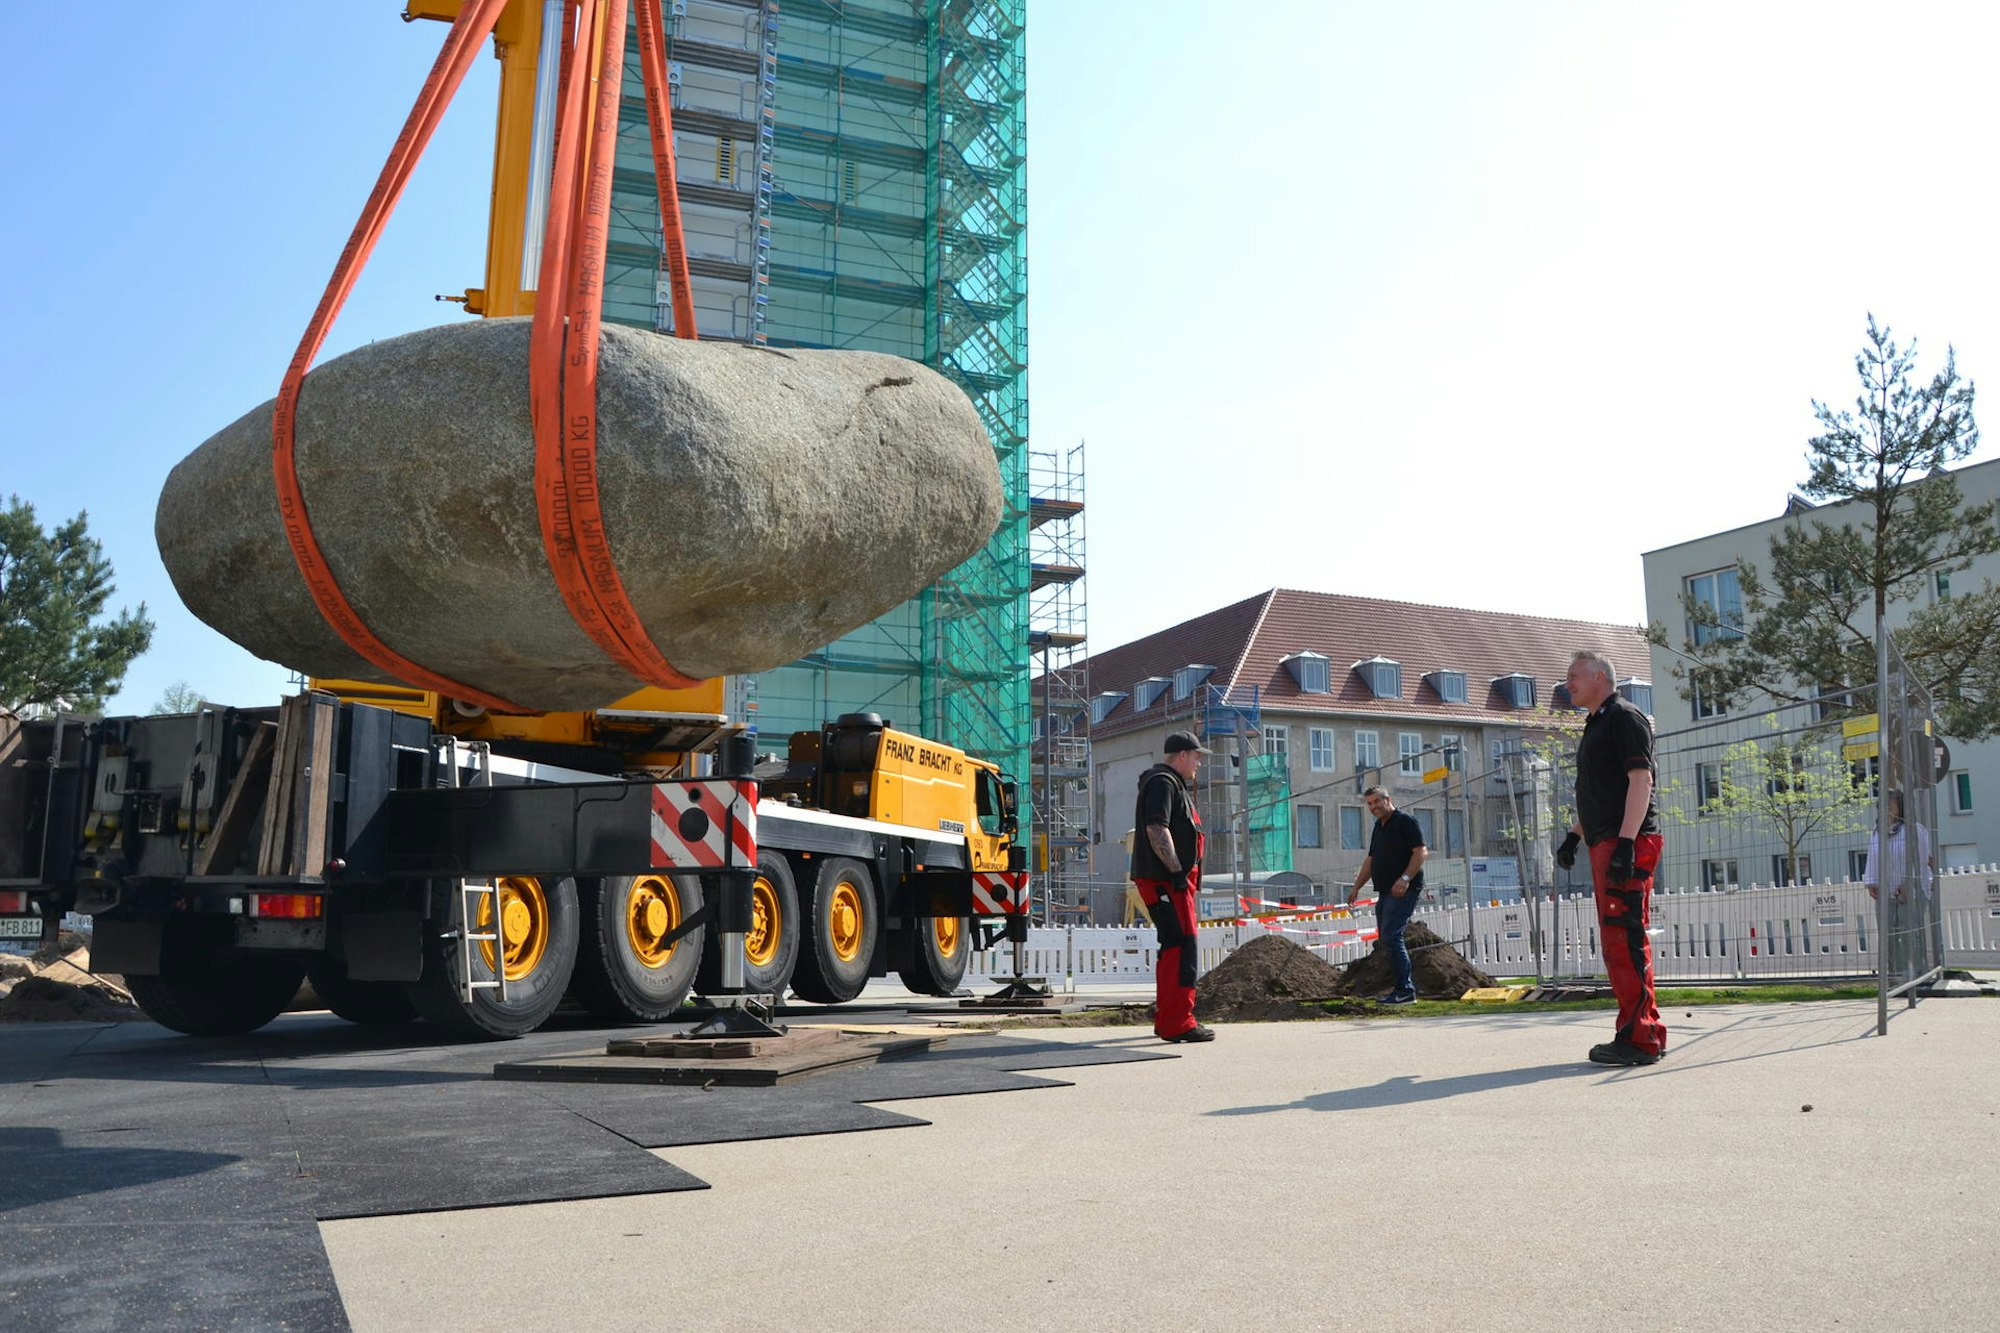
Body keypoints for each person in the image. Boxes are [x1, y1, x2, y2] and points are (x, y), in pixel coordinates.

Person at [1556, 649, 1666, 1066]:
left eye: (1574, 676)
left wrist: (1625, 842)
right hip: (1607, 840)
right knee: (1619, 939)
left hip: (1628, 844)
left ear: (1600, 676)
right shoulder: (1598, 723)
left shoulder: (1624, 717)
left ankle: (1639, 1039)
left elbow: (1641, 781)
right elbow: (1602, 793)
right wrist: (1573, 835)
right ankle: (1643, 1031)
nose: (1568, 683)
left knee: (1625, 939)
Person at [1130, 731, 1214, 1042]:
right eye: (1196, 756)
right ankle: (1178, 1022)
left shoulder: (1168, 782)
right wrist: (1177, 871)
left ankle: (1169, 1019)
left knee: (1174, 946)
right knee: (1182, 947)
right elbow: (1156, 828)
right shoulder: (1163, 783)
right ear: (1181, 755)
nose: (1199, 763)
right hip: (1167, 880)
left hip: (1169, 880)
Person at [1348, 786, 1428, 1004]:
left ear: (1387, 799)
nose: (1374, 807)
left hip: (1403, 890)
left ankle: (1405, 991)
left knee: (1392, 936)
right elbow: (1371, 859)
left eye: (1377, 802)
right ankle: (1398, 987)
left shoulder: (1406, 822)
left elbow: (1420, 852)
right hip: (1384, 891)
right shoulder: (1379, 827)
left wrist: (1404, 879)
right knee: (1386, 939)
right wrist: (1356, 887)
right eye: (1370, 804)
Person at [1863, 790, 1935, 980]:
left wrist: (1907, 884)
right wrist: (1871, 882)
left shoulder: (1914, 830)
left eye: (1892, 805)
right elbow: (1872, 856)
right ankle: (1895, 975)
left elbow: (1920, 860)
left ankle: (1917, 974)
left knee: (1910, 932)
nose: (1887, 809)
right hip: (1886, 890)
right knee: (1889, 934)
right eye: (1884, 805)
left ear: (1901, 807)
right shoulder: (1877, 831)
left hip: (1912, 889)